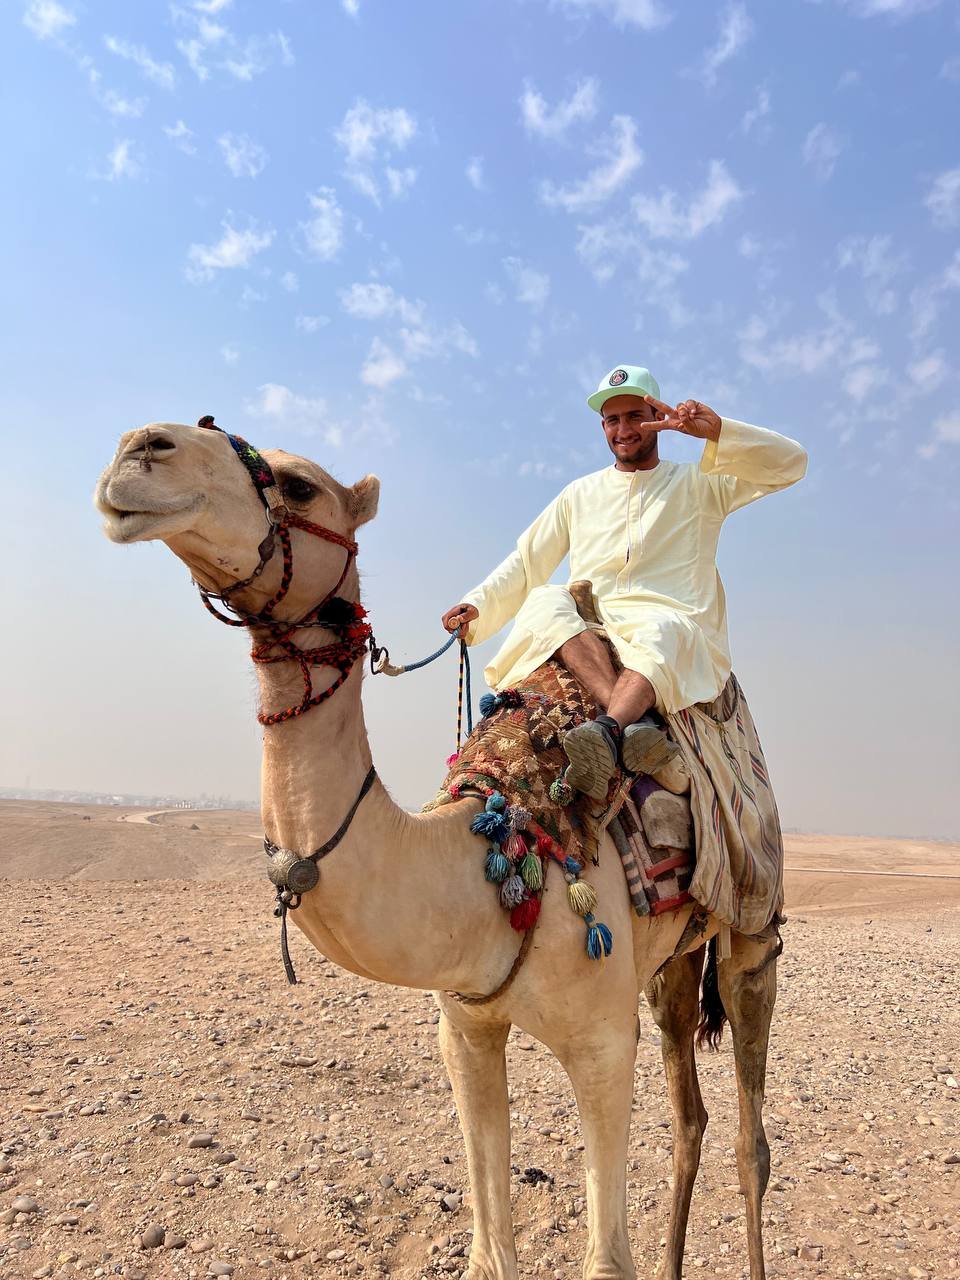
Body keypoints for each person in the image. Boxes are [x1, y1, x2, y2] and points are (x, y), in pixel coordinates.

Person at [442, 364, 807, 800]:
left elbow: (790, 464)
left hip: (673, 623)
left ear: (658, 416)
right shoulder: (580, 494)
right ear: (602, 427)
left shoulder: (700, 484)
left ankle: (607, 729)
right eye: (613, 420)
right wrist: (478, 605)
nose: (624, 429)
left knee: (660, 630)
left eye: (635, 416)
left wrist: (717, 432)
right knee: (543, 601)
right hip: (595, 626)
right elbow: (526, 561)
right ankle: (635, 724)